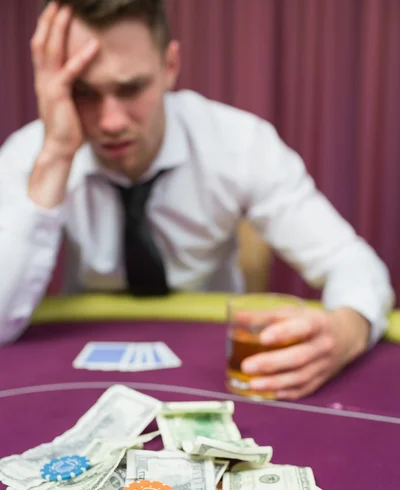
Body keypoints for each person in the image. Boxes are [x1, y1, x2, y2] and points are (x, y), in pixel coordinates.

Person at [0, 0, 394, 400]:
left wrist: (348, 329)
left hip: (213, 365)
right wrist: (56, 155)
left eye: (131, 87)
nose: (110, 122)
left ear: (170, 66)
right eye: (83, 93)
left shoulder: (240, 143)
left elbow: (351, 262)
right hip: (81, 367)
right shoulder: (32, 154)